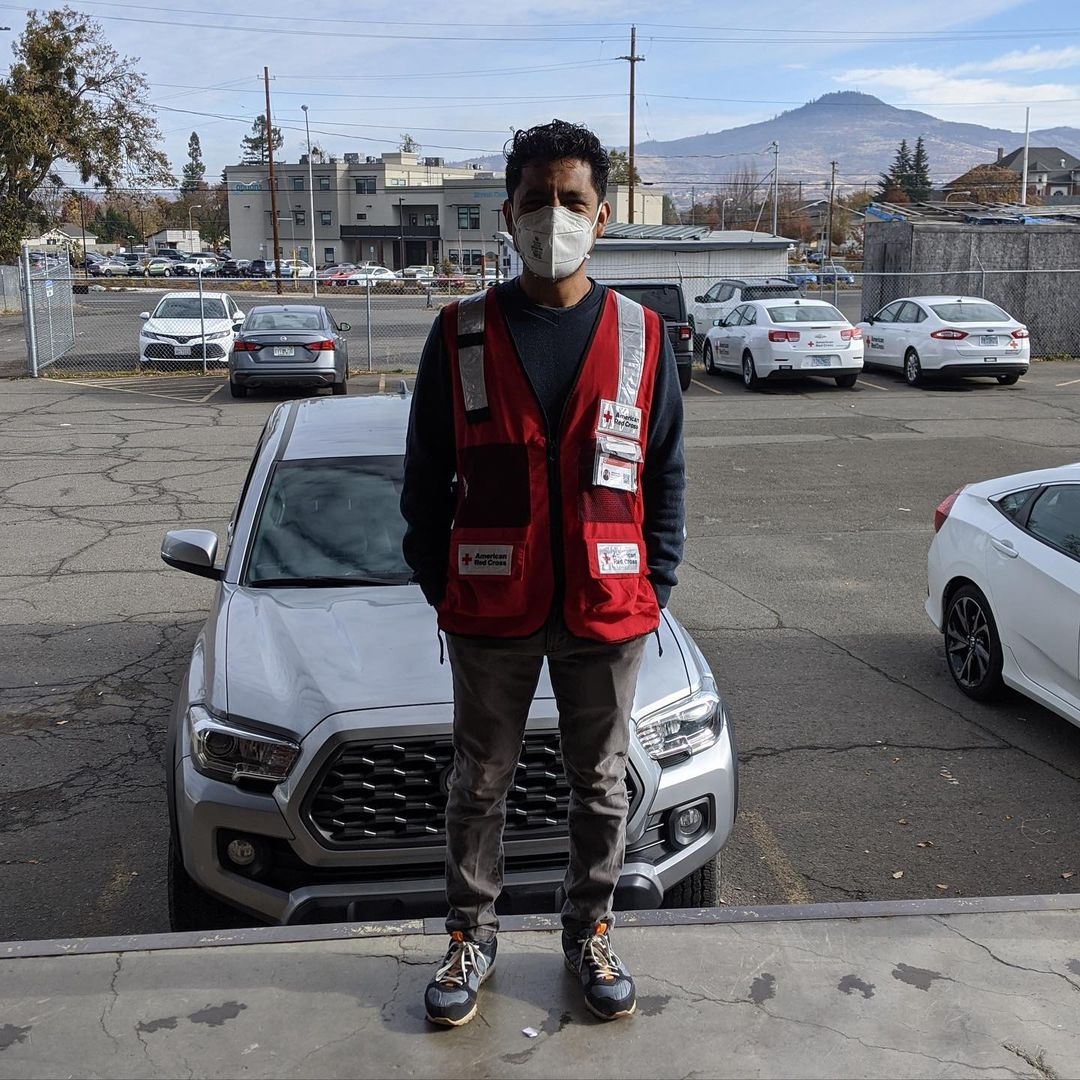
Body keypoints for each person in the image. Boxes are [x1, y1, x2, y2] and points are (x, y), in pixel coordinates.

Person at [400, 118, 685, 1027]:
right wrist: (441, 583)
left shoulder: (643, 337)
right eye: (536, 201)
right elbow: (422, 478)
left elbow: (665, 472)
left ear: (601, 217)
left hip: (609, 606)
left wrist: (658, 583)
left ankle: (589, 930)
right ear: (507, 214)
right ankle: (469, 935)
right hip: (490, 607)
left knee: (600, 784)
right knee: (478, 782)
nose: (551, 216)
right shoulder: (460, 335)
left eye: (571, 201)